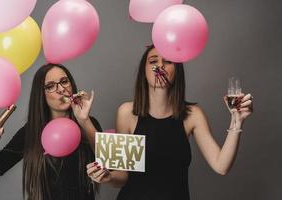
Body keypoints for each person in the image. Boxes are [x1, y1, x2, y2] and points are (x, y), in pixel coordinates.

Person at [86, 45, 253, 199]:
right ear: (144, 71)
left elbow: (221, 166)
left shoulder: (192, 115)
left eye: (168, 61)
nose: (160, 66)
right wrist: (108, 177)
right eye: (153, 61)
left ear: (177, 70)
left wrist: (237, 121)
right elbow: (123, 176)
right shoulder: (127, 113)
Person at [0, 63, 101, 200]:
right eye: (50, 86)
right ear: (41, 94)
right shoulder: (32, 131)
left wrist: (84, 121)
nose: (61, 89)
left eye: (64, 81)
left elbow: (110, 168)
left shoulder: (88, 124)